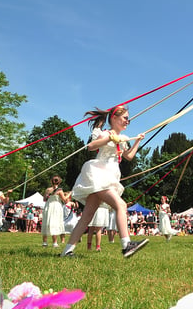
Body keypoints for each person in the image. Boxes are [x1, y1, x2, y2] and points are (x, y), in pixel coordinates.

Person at [61, 106, 148, 258]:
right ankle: (126, 245)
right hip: (99, 173)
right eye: (125, 118)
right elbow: (91, 147)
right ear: (114, 118)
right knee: (120, 205)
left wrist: (137, 141)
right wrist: (110, 138)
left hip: (111, 175)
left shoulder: (123, 139)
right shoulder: (105, 133)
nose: (128, 121)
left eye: (128, 118)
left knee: (87, 216)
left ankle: (66, 251)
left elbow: (128, 157)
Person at [42, 175, 69, 247]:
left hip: (48, 206)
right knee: (55, 223)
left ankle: (44, 242)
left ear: (51, 181)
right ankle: (54, 243)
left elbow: (44, 199)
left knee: (46, 222)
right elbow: (65, 200)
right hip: (56, 207)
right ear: (59, 182)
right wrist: (69, 194)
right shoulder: (60, 190)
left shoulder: (47, 190)